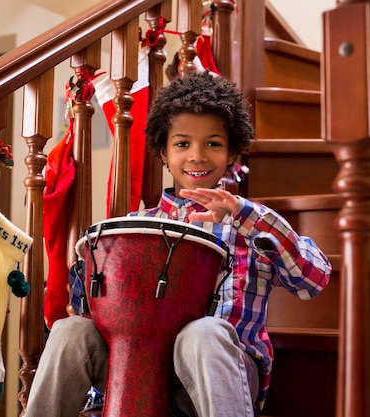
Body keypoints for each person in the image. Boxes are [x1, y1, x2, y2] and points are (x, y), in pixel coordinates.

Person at [24, 71, 332, 417]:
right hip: (133, 375)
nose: (197, 156)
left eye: (213, 143)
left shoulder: (255, 226)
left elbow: (313, 280)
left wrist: (246, 216)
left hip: (214, 383)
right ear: (163, 154)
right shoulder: (134, 230)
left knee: (203, 332)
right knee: (71, 330)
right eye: (182, 144)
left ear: (232, 153)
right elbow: (97, 314)